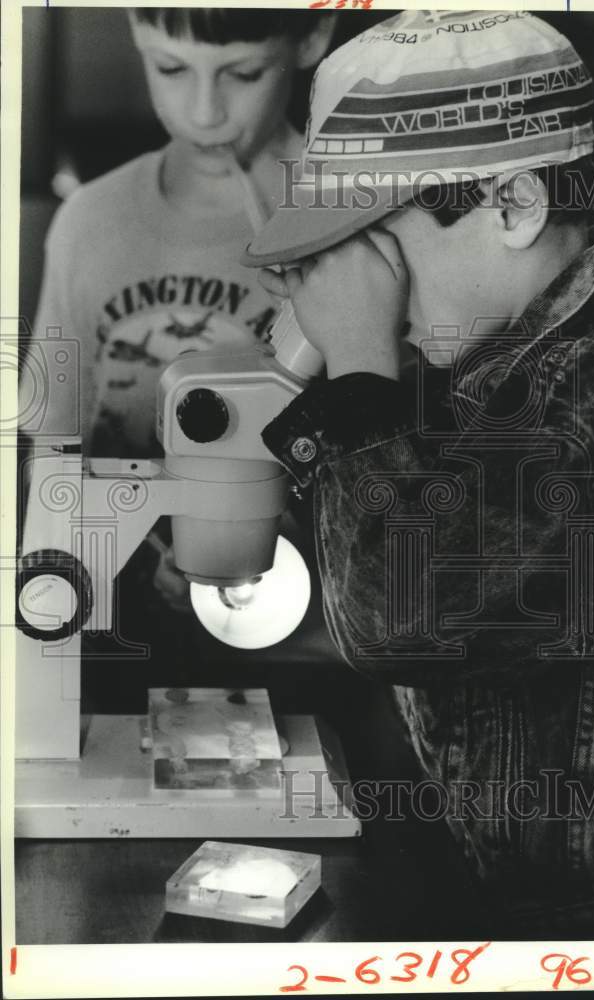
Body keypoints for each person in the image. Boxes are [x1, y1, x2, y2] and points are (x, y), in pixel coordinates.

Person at [250, 10, 594, 938]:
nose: (373, 279)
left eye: (385, 241)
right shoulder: (494, 363)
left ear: (515, 204)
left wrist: (363, 372)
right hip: (516, 897)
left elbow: (395, 619)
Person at [18, 8, 336, 696]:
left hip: (302, 658)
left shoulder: (352, 222)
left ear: (312, 35)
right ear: (134, 35)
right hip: (114, 651)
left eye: (244, 73)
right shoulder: (89, 224)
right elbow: (49, 458)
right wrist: (141, 550)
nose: (204, 112)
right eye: (170, 68)